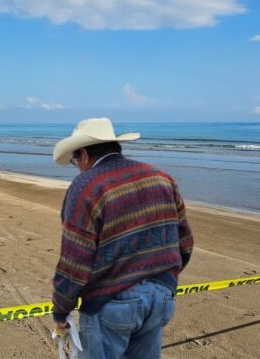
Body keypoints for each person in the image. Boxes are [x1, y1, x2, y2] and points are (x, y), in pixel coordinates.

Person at [51, 118, 193, 358]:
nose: (78, 166)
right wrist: (164, 282)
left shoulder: (86, 186)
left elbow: (75, 261)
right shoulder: (161, 178)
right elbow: (185, 243)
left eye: (76, 160)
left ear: (84, 155)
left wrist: (61, 310)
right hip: (161, 298)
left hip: (111, 303)